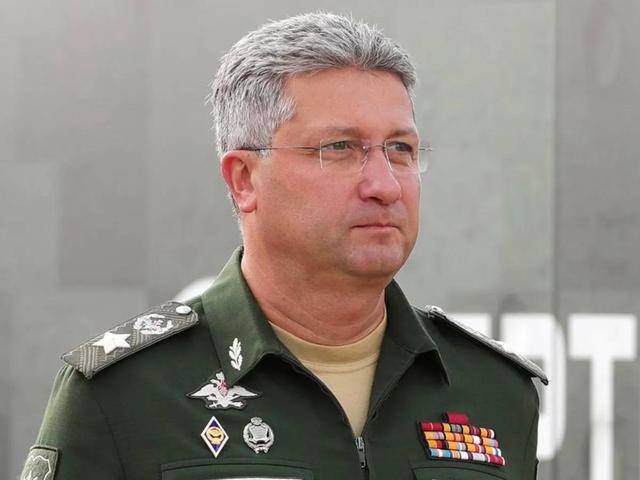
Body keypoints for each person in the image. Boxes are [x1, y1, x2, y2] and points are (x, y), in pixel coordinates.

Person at [20, 12, 547, 480]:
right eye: (340, 148)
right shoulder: (125, 394)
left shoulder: (494, 391)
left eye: (400, 149)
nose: (385, 185)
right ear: (244, 179)